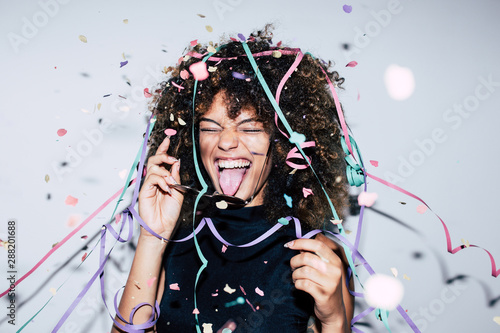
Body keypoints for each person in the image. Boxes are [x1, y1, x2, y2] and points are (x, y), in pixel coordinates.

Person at [112, 26, 354, 333]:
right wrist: (153, 237)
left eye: (250, 128)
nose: (226, 142)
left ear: (281, 144)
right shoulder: (175, 245)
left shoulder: (315, 254)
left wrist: (334, 320)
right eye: (210, 128)